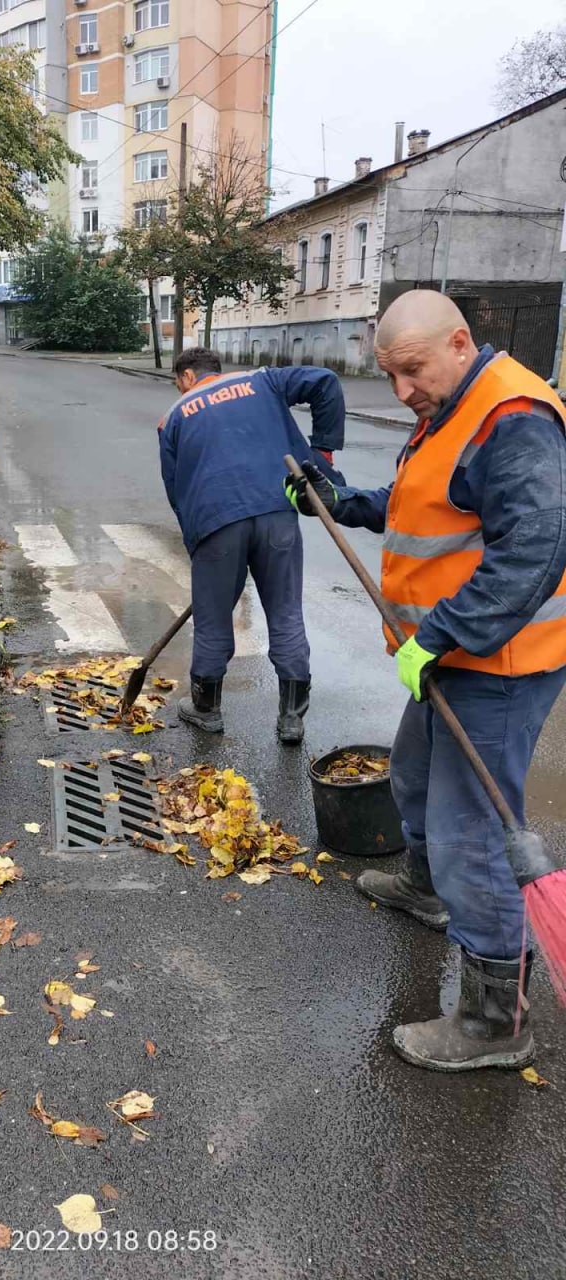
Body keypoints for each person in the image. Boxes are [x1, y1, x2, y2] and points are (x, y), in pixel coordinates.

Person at [286, 290, 566, 1072]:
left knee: (472, 830)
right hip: (455, 658)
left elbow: (534, 554)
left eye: (410, 371)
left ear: (459, 342)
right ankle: (426, 886)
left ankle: (493, 1020)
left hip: (499, 665)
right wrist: (344, 502)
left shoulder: (512, 417)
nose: (402, 390)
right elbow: (426, 506)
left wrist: (441, 634)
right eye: (390, 374)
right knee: (413, 779)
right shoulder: (454, 407)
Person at [158, 347, 345, 743]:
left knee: (212, 618)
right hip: (278, 510)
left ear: (188, 377)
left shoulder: (174, 417)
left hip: (215, 521)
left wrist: (200, 548)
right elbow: (326, 383)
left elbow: (176, 491)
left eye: (178, 383)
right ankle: (292, 718)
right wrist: (322, 453)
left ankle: (206, 709)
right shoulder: (263, 381)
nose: (179, 391)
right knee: (285, 611)